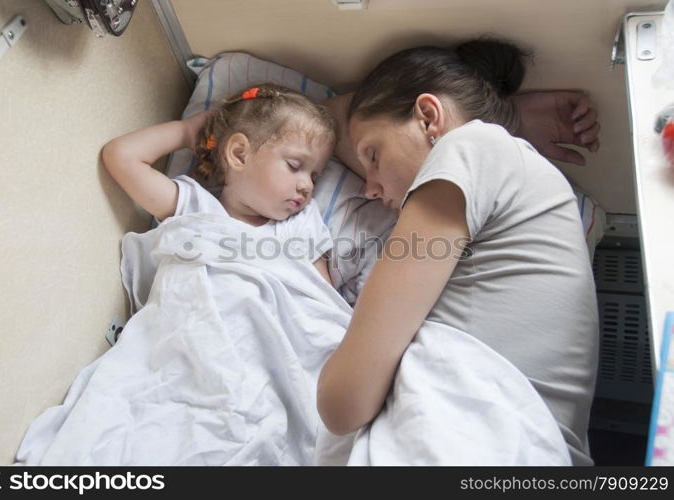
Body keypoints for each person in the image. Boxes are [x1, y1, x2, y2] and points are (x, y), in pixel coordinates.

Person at [316, 39, 600, 465]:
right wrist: (512, 115)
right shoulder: (502, 162)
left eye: (373, 156)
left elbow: (343, 403)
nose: (369, 188)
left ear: (429, 116)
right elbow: (319, 123)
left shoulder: (471, 146)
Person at [101, 83, 336, 284]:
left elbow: (322, 300)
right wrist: (185, 132)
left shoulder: (300, 224)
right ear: (240, 154)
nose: (308, 186)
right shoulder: (197, 210)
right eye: (295, 166)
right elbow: (121, 156)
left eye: (315, 176)